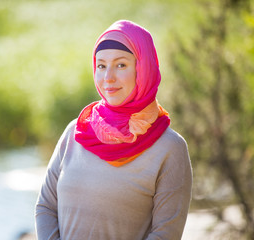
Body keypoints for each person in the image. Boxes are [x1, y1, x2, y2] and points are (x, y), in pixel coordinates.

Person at [35, 20, 192, 240]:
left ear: (143, 68)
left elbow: (166, 233)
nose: (108, 77)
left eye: (121, 65)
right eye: (101, 65)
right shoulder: (75, 132)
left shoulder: (170, 148)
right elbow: (45, 207)